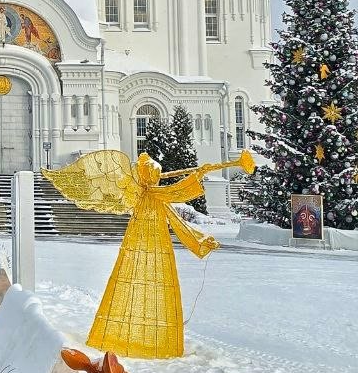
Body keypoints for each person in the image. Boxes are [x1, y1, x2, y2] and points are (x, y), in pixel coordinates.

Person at [46, 149, 253, 359]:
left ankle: (133, 336)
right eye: (154, 172)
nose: (157, 175)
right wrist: (198, 175)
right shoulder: (152, 194)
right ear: (148, 176)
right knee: (140, 286)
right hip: (148, 245)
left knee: (142, 287)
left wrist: (199, 239)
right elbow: (177, 192)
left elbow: (177, 217)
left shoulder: (151, 194)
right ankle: (142, 339)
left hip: (150, 244)